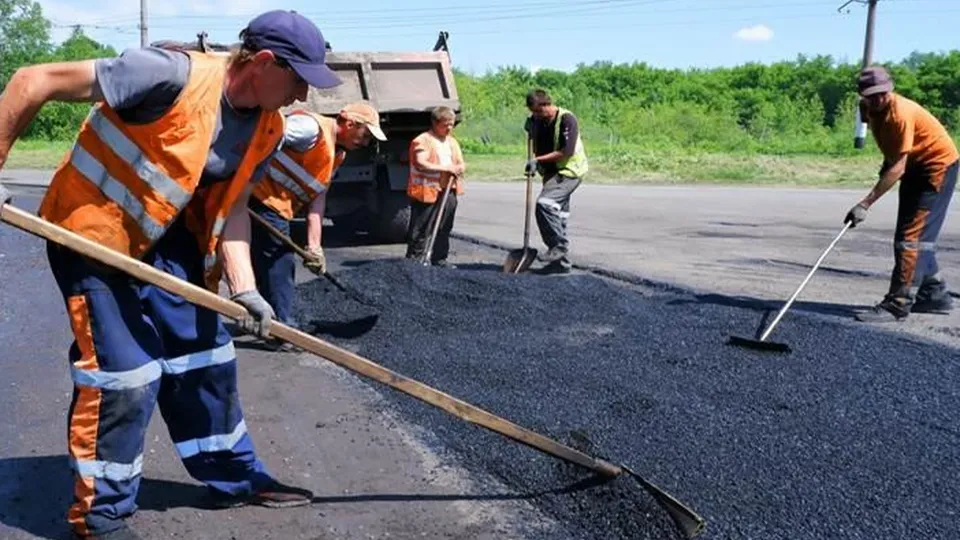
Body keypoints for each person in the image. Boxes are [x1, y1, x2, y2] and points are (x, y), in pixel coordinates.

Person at [0, 10, 341, 539]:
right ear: (265, 62)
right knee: (126, 374)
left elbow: (230, 214)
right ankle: (101, 515)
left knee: (208, 353)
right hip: (93, 233)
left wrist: (246, 289)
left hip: (168, 241)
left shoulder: (268, 127)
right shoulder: (166, 74)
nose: (302, 95)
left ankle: (233, 475)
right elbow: (32, 80)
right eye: (298, 79)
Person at [249, 101, 385, 340]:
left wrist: (314, 247)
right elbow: (262, 137)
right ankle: (284, 330)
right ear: (350, 123)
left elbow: (317, 200)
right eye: (365, 135)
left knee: (264, 261)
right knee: (280, 261)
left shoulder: (336, 153)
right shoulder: (309, 129)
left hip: (277, 206)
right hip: (257, 196)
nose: (365, 143)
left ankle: (262, 318)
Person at [844, 66, 959, 323]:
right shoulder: (868, 109)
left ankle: (898, 303)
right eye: (871, 96)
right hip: (914, 166)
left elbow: (899, 166)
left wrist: (865, 203)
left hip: (936, 167)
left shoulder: (901, 113)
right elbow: (888, 145)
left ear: (890, 89)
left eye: (882, 94)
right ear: (862, 95)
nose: (878, 100)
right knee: (913, 236)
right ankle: (934, 292)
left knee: (910, 238)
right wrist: (888, 160)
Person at [523, 88, 588, 275]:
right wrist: (531, 127)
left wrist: (538, 160)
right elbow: (537, 139)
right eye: (532, 112)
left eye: (537, 111)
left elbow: (566, 151)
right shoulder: (537, 120)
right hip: (551, 173)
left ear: (546, 104)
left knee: (545, 205)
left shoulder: (567, 119)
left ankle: (558, 247)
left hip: (570, 171)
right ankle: (561, 265)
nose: (535, 115)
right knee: (559, 217)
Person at [405, 106, 465, 267]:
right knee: (422, 228)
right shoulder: (422, 140)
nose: (449, 128)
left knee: (445, 226)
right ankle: (415, 260)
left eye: (451, 124)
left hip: (448, 190)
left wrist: (460, 168)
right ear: (435, 123)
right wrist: (447, 169)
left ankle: (439, 259)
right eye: (446, 125)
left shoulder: (452, 141)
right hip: (427, 191)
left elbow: (459, 162)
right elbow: (420, 162)